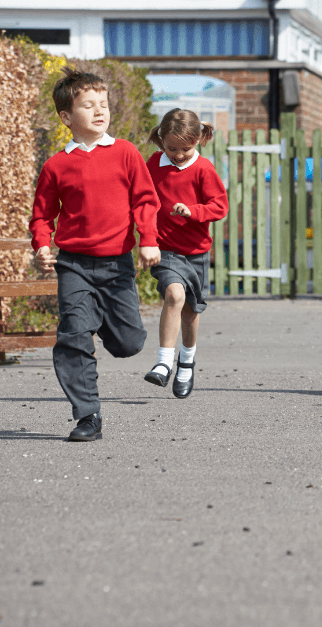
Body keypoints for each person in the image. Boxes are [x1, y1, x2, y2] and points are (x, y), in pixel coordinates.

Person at [29, 68, 160, 441]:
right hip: (74, 264)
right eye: (89, 105)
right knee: (72, 335)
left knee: (129, 343)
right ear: (67, 117)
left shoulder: (126, 153)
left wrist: (147, 238)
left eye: (103, 104)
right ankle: (88, 415)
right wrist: (42, 245)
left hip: (117, 263)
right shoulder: (57, 165)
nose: (100, 111)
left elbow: (145, 200)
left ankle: (97, 316)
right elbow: (42, 215)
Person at [142, 108, 229, 398]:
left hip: (196, 251)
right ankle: (164, 363)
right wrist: (147, 239)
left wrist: (194, 211)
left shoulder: (204, 169)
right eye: (172, 148)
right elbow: (142, 200)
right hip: (165, 249)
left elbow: (220, 206)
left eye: (185, 148)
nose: (178, 154)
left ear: (199, 141)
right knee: (174, 295)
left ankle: (186, 362)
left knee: (191, 311)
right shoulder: (153, 164)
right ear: (161, 140)